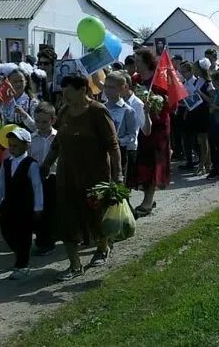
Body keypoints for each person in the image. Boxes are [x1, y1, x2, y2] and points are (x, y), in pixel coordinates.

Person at [41, 73, 122, 280]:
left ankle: (102, 248)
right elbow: (58, 142)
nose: (64, 96)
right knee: (67, 219)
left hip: (94, 176)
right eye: (63, 92)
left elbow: (113, 147)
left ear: (83, 90)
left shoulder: (98, 112)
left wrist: (117, 175)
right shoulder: (65, 111)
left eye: (69, 92)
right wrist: (46, 163)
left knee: (96, 216)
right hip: (67, 175)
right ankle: (74, 264)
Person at [0, 128, 43, 280]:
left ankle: (22, 265)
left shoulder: (30, 164)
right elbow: (0, 184)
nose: (12, 149)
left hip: (25, 206)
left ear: (26, 146)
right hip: (9, 205)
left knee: (23, 235)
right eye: (10, 146)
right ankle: (20, 253)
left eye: (16, 146)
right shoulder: (6, 163)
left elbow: (37, 186)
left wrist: (38, 207)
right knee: (6, 229)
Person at [130, 49, 170, 215]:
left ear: (147, 62)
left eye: (138, 61)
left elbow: (167, 104)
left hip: (158, 128)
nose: (136, 64)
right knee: (141, 161)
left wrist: (153, 104)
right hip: (140, 125)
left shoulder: (159, 79)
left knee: (153, 162)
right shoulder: (135, 80)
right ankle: (147, 197)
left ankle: (148, 201)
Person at [29, 102, 58, 255]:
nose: (40, 125)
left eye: (45, 121)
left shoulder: (58, 137)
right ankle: (42, 240)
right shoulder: (31, 139)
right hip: (36, 180)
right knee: (38, 210)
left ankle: (49, 242)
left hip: (53, 178)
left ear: (53, 120)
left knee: (50, 211)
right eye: (37, 121)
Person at [103, 71, 139, 192]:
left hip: (120, 152)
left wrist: (120, 140)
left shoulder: (128, 111)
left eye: (112, 87)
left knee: (119, 186)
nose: (107, 90)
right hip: (102, 151)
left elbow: (132, 136)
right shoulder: (101, 108)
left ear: (121, 88)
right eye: (106, 86)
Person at [0, 62, 39, 131]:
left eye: (21, 81)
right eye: (15, 82)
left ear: (26, 81)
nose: (18, 84)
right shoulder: (4, 100)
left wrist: (24, 115)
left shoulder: (32, 102)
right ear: (8, 82)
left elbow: (37, 128)